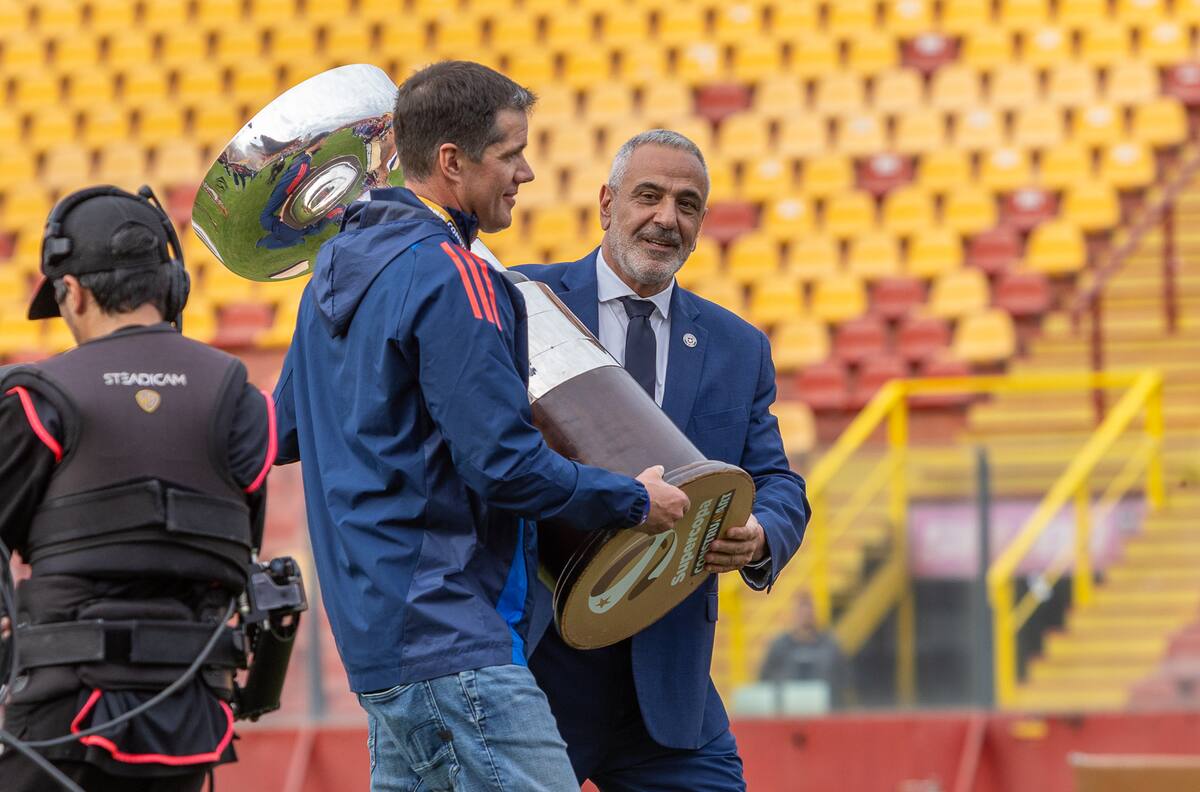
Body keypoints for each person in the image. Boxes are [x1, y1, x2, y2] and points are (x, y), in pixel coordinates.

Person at [272, 62, 690, 792]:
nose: (526, 172)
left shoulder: (330, 274)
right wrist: (631, 501)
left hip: (376, 645)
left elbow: (283, 432)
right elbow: (505, 464)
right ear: (451, 163)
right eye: (510, 153)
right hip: (452, 637)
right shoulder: (452, 273)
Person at [518, 129, 810, 790]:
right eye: (648, 196)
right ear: (606, 203)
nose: (665, 218)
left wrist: (763, 532)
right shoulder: (528, 303)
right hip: (540, 666)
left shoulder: (738, 347)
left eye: (687, 204)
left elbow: (776, 479)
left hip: (668, 684)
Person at [0, 185, 275, 791]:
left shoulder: (35, 397)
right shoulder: (241, 398)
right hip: (195, 718)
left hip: (61, 712)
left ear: (70, 291)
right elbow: (237, 547)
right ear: (171, 287)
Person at [759, 589, 849, 708]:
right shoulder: (780, 646)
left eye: (808, 611)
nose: (805, 616)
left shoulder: (829, 645)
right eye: (801, 612)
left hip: (826, 711)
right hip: (787, 712)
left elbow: (844, 678)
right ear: (794, 614)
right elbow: (765, 678)